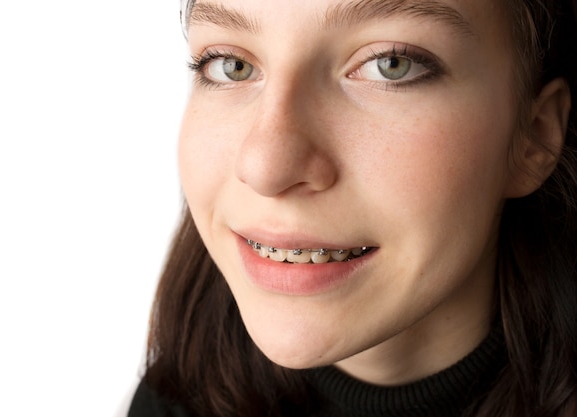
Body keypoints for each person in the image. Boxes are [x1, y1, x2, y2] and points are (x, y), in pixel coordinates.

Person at [128, 0, 577, 416]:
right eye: (232, 65)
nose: (267, 166)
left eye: (390, 65)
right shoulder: (174, 401)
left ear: (534, 136)